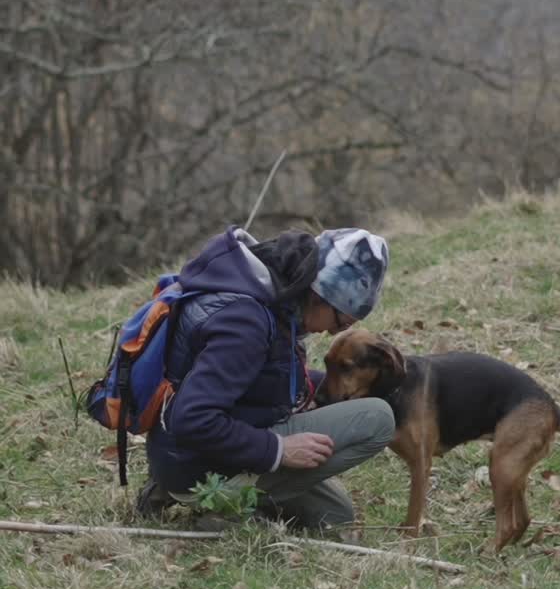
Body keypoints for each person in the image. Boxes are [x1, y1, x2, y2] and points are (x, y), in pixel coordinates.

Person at [137, 224, 394, 530]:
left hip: (186, 456)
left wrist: (332, 386)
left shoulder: (271, 297)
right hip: (198, 466)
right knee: (377, 418)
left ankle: (183, 493)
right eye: (341, 320)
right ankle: (223, 509)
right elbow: (192, 419)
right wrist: (278, 450)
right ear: (320, 293)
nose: (335, 332)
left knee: (335, 516)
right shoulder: (246, 323)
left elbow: (260, 375)